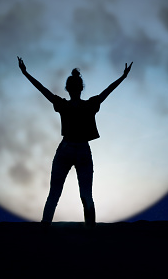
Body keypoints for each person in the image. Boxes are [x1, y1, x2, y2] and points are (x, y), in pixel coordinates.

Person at [17, 56, 132, 228]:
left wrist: (25, 73)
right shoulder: (89, 105)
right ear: (81, 88)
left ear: (68, 89)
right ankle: (90, 229)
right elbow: (108, 91)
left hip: (65, 148)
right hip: (83, 150)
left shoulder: (63, 105)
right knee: (86, 194)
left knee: (54, 193)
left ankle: (45, 226)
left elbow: (43, 90)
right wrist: (123, 77)